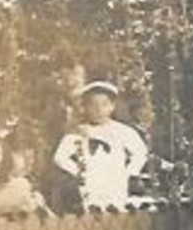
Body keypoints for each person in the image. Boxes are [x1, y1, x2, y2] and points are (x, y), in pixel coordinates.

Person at [50, 80, 148, 211]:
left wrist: (129, 172)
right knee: (92, 214)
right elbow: (59, 157)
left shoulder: (122, 131)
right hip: (91, 183)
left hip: (115, 181)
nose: (99, 110)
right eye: (93, 105)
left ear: (112, 106)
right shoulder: (80, 131)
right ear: (85, 108)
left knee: (115, 214)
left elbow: (140, 152)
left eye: (104, 105)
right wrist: (79, 172)